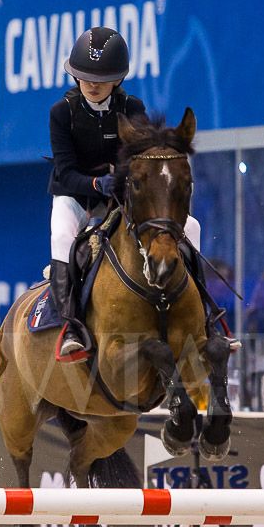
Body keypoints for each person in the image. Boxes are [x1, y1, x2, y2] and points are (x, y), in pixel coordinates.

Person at [47, 26, 204, 358]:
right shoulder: (62, 113)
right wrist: (96, 184)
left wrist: (122, 183)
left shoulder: (132, 107)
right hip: (74, 196)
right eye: (85, 77)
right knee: (62, 237)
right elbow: (65, 171)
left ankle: (206, 315)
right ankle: (70, 327)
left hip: (118, 196)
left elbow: (143, 160)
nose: (92, 85)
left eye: (101, 79)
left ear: (116, 80)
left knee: (191, 227)